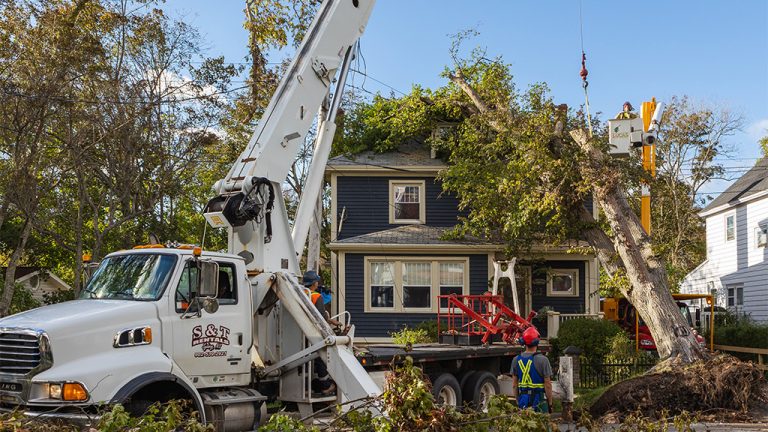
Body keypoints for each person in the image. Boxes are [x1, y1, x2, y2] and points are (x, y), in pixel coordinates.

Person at [302, 270, 339, 395]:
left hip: (302, 333)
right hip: (315, 333)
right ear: (314, 283)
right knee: (322, 357)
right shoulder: (317, 296)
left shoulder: (301, 294)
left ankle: (309, 386)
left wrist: (332, 321)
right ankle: (325, 385)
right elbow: (321, 317)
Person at [510, 327, 553, 413]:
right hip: (539, 401)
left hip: (523, 400)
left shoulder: (516, 360)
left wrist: (518, 401)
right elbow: (547, 385)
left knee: (525, 425)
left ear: (523, 342)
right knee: (542, 425)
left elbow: (515, 385)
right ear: (537, 342)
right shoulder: (543, 360)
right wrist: (550, 403)